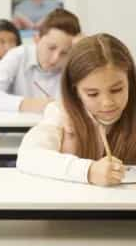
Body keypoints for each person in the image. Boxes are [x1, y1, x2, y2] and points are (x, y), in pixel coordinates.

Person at [17, 34, 136, 186]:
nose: (107, 103)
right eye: (92, 94)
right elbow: (28, 156)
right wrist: (88, 171)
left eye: (117, 90)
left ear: (130, 82)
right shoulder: (60, 113)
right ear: (75, 91)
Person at [0, 9, 81, 113]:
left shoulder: (73, 63)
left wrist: (82, 52)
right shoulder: (17, 55)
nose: (55, 59)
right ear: (37, 39)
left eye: (64, 53)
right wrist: (29, 104)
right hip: (17, 129)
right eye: (51, 48)